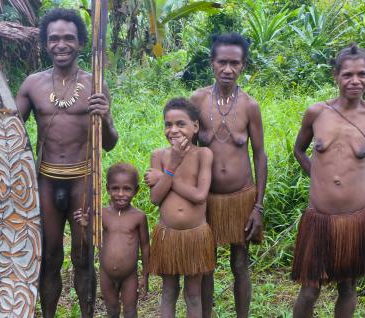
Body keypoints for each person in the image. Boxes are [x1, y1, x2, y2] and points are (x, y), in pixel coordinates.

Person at [0, 8, 118, 317]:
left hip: (84, 180)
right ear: (45, 43)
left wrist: (105, 117)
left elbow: (109, 143)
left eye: (69, 38)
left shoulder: (96, 83)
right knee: (49, 256)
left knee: (83, 257)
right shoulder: (32, 84)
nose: (61, 44)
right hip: (45, 179)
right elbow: (9, 131)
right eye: (54, 39)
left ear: (80, 42)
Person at [292, 44, 365, 318]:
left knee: (348, 288)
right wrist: (318, 175)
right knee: (309, 290)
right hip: (320, 218)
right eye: (348, 74)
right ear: (335, 75)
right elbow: (299, 149)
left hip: (357, 219)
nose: (355, 81)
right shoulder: (316, 113)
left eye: (361, 74)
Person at [192, 32, 267, 317]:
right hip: (206, 197)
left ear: (243, 66)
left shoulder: (250, 106)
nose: (228, 69)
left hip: (241, 197)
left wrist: (258, 205)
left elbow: (259, 155)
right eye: (222, 62)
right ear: (211, 63)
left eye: (234, 63)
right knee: (206, 265)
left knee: (240, 263)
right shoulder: (197, 100)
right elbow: (185, 147)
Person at [147, 97, 214, 318]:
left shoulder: (204, 154)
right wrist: (172, 165)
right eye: (168, 124)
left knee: (193, 294)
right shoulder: (159, 156)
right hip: (168, 235)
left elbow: (199, 195)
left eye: (180, 124)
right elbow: (155, 198)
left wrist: (166, 177)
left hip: (195, 235)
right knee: (168, 291)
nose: (173, 130)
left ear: (195, 126)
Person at [74, 163, 150, 318]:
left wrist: (145, 276)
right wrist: (85, 227)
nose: (120, 194)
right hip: (106, 274)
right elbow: (91, 243)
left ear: (136, 190)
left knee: (130, 311)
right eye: (115, 188)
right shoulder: (101, 214)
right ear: (108, 189)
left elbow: (145, 246)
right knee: (112, 311)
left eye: (127, 189)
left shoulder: (139, 217)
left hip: (130, 275)